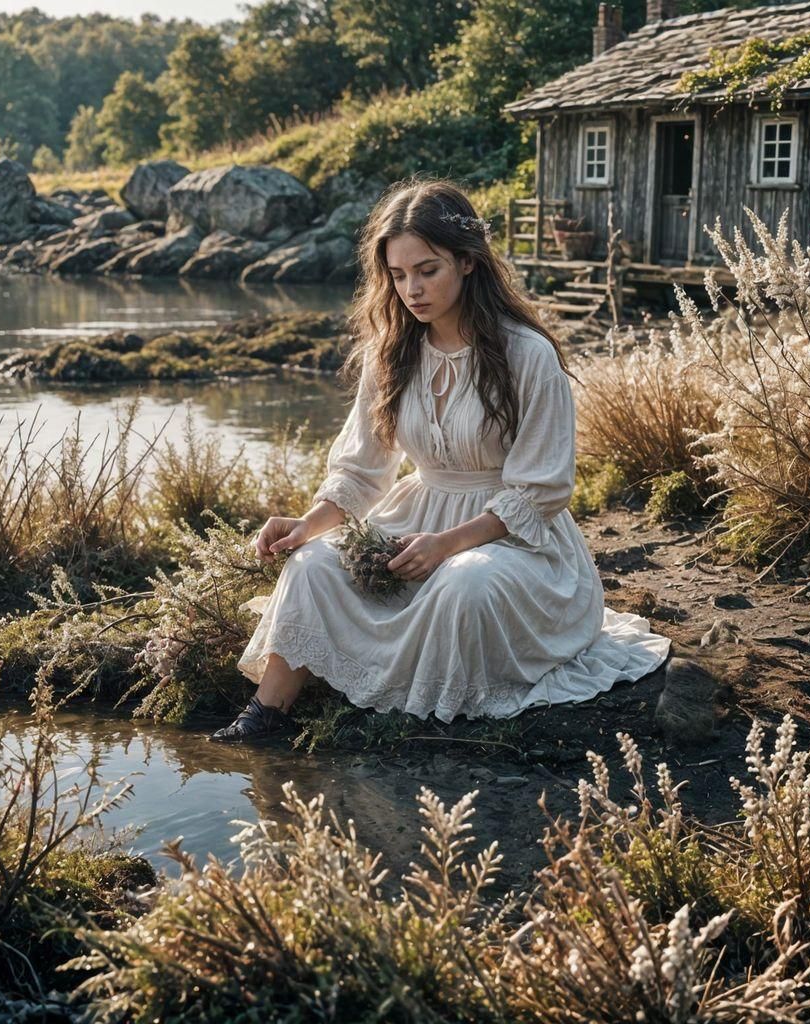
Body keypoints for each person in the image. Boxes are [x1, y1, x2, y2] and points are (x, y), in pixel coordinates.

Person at [210, 177, 670, 744]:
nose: (412, 290)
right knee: (312, 564)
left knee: (463, 584)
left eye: (427, 270)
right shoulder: (390, 354)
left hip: (514, 539)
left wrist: (448, 544)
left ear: (468, 262)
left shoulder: (527, 353)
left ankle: (421, 717)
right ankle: (266, 714)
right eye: (398, 275)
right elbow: (361, 471)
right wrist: (305, 526)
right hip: (416, 519)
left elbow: (541, 491)